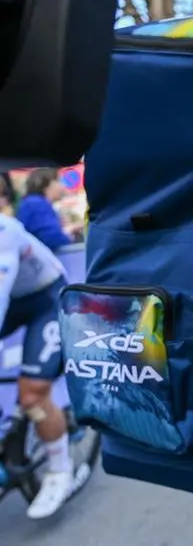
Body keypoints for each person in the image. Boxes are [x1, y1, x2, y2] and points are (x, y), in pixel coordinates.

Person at [0, 214, 72, 519]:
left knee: (32, 395)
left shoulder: (4, 230)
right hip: (15, 299)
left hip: (45, 299)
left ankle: (60, 471)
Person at [16, 168, 75, 252]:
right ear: (46, 185)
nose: (63, 186)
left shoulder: (33, 202)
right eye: (59, 181)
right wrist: (68, 231)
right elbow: (52, 238)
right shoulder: (36, 203)